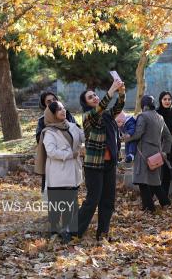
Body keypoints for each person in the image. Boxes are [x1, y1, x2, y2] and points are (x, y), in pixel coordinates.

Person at [78, 79, 125, 241]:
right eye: (90, 97)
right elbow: (100, 107)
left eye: (95, 95)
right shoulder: (88, 117)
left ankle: (103, 234)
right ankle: (74, 232)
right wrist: (111, 89)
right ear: (86, 103)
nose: (95, 98)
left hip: (109, 163)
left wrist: (121, 92)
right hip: (93, 165)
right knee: (93, 200)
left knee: (108, 200)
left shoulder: (105, 115)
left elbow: (118, 108)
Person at [35, 101, 84, 243]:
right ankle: (54, 231)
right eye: (58, 110)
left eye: (63, 108)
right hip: (58, 173)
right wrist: (71, 154)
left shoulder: (73, 126)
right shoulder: (49, 132)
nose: (62, 111)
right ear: (52, 114)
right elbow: (51, 152)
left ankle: (69, 231)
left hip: (73, 171)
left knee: (72, 202)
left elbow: (83, 137)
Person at [124, 95, 172, 212]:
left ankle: (149, 208)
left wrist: (127, 138)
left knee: (142, 182)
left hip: (143, 154)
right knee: (155, 182)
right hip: (156, 154)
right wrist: (165, 152)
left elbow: (138, 133)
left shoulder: (143, 116)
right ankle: (166, 203)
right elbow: (168, 136)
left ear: (143, 105)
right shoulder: (160, 117)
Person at [35, 91, 78, 193]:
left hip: (71, 162)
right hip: (54, 161)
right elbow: (40, 139)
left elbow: (77, 132)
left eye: (54, 100)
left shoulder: (68, 116)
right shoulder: (42, 121)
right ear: (44, 105)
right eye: (49, 102)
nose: (52, 102)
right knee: (55, 193)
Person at [156, 91, 172, 196]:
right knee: (156, 172)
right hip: (158, 144)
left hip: (170, 145)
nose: (167, 101)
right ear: (160, 100)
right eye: (164, 99)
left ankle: (164, 197)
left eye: (169, 99)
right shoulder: (156, 113)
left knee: (167, 172)